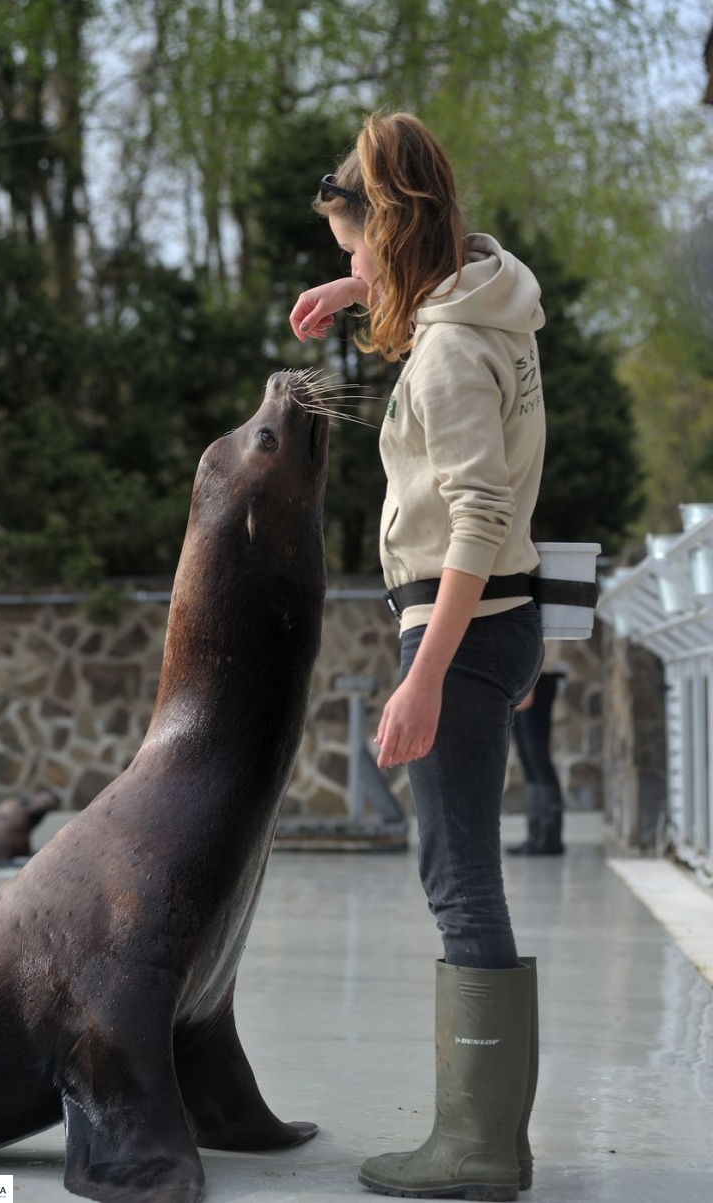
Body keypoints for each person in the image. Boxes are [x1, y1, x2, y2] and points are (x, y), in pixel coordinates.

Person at [290, 111, 547, 1201]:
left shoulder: (446, 356)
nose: (344, 262)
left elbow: (476, 520)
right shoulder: (491, 297)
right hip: (500, 620)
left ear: (385, 228)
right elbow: (448, 258)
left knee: (457, 882)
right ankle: (481, 1138)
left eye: (351, 243)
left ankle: (478, 1148)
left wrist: (422, 677)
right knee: (459, 876)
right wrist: (359, 290)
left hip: (463, 624)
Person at [509, 642, 568, 856]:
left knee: (537, 757)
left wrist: (530, 682)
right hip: (528, 676)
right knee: (528, 758)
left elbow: (543, 635)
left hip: (537, 676)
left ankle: (548, 838)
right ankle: (537, 836)